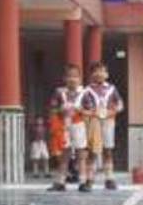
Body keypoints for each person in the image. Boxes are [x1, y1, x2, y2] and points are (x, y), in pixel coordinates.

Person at [84, 62, 124, 190]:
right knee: (92, 151)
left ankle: (109, 178)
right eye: (96, 71)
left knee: (108, 150)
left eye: (102, 71)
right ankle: (89, 179)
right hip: (94, 122)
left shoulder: (112, 89)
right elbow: (81, 107)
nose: (99, 73)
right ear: (91, 74)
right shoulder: (87, 90)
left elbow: (120, 104)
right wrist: (90, 112)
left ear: (107, 74)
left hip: (108, 121)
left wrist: (113, 111)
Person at [48, 64, 87, 191]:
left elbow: (91, 110)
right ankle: (61, 182)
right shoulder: (59, 92)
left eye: (75, 76)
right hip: (64, 125)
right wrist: (61, 110)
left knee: (81, 153)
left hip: (79, 125)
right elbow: (52, 109)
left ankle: (83, 181)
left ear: (80, 78)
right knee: (64, 154)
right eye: (69, 76)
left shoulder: (84, 93)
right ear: (64, 78)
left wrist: (80, 110)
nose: (72, 79)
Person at [29, 113, 50, 178]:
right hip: (35, 142)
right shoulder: (33, 127)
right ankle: (35, 173)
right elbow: (30, 135)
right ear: (36, 120)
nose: (39, 121)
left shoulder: (45, 127)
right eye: (38, 119)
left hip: (43, 142)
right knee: (36, 158)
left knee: (46, 158)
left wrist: (46, 141)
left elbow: (47, 135)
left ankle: (46, 172)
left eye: (41, 119)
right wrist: (32, 141)